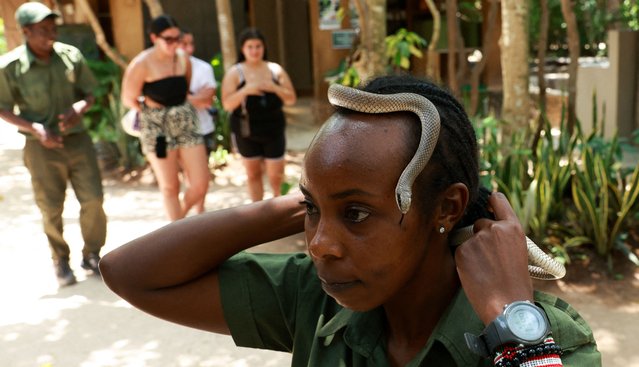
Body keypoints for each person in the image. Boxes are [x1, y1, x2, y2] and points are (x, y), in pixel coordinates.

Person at [100, 75, 600, 366]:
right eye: (312, 210)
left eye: (357, 213)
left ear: (447, 209)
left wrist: (515, 328)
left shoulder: (551, 340)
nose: (319, 245)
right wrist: (319, 202)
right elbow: (130, 272)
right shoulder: (314, 300)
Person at [0, 2, 106, 287]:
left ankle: (93, 254)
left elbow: (90, 94)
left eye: (53, 28)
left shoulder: (71, 56)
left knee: (94, 199)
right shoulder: (10, 67)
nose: (51, 34)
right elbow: (3, 108)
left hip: (78, 141)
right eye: (43, 29)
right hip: (40, 148)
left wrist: (78, 109)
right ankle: (60, 258)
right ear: (26, 31)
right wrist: (34, 128)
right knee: (51, 207)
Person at [121, 15, 209, 221]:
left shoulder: (182, 58)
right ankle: (177, 234)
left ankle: (178, 223)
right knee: (170, 186)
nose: (174, 44)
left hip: (185, 121)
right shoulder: (141, 63)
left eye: (177, 39)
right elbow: (128, 98)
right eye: (168, 39)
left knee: (200, 184)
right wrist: (152, 113)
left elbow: (184, 88)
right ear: (154, 38)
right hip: (157, 127)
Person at [221, 27, 296, 202]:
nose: (255, 51)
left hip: (273, 129)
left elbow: (291, 99)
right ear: (243, 49)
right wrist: (246, 90)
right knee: (253, 174)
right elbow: (227, 104)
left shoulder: (275, 70)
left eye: (258, 46)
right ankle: (258, 214)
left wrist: (275, 87)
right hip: (246, 130)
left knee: (276, 175)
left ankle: (280, 211)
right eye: (250, 47)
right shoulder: (235, 73)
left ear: (264, 47)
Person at [179, 28, 217, 214]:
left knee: (201, 179)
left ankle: (197, 216)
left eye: (190, 43)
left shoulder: (204, 68)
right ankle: (180, 218)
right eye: (183, 43)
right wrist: (196, 98)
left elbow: (208, 99)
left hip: (203, 129)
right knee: (188, 178)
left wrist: (178, 99)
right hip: (177, 132)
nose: (189, 48)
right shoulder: (162, 69)